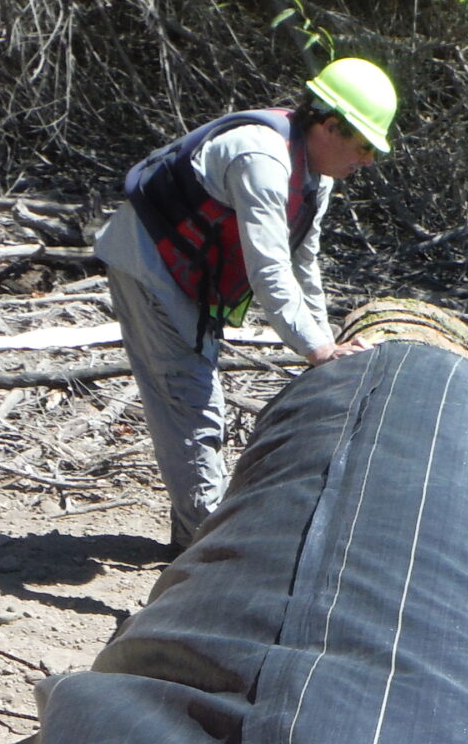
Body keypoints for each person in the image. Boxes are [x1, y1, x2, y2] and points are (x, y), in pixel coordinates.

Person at [94, 58, 398, 547]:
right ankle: (206, 553)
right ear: (330, 126)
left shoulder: (317, 177)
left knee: (193, 398)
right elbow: (269, 270)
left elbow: (305, 265)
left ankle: (191, 534)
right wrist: (316, 350)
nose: (367, 160)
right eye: (363, 145)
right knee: (192, 405)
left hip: (190, 280)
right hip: (148, 267)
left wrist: (326, 346)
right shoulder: (262, 158)